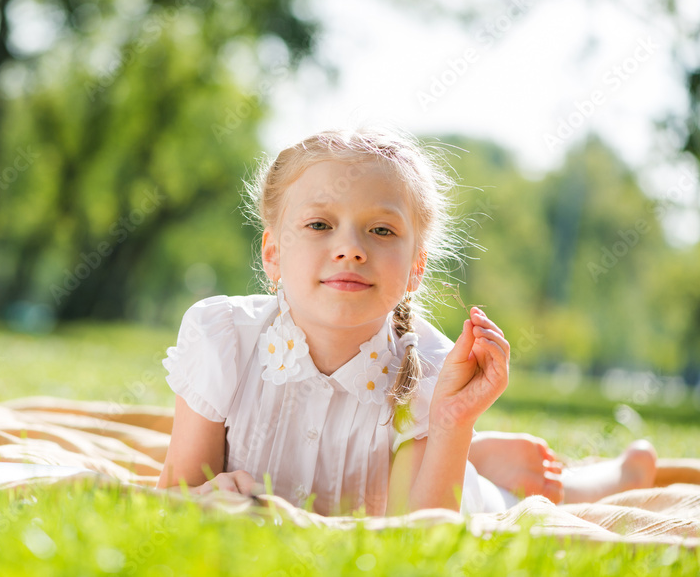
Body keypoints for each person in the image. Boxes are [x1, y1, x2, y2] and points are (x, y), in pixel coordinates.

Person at [156, 127, 664, 516]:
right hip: (402, 465)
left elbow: (420, 535)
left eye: (380, 230)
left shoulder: (429, 367)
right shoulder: (223, 338)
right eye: (318, 225)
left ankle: (619, 472)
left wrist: (451, 426)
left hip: (437, 490)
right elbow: (175, 491)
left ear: (416, 266)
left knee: (529, 498)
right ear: (273, 253)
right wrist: (206, 496)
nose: (350, 250)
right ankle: (482, 455)